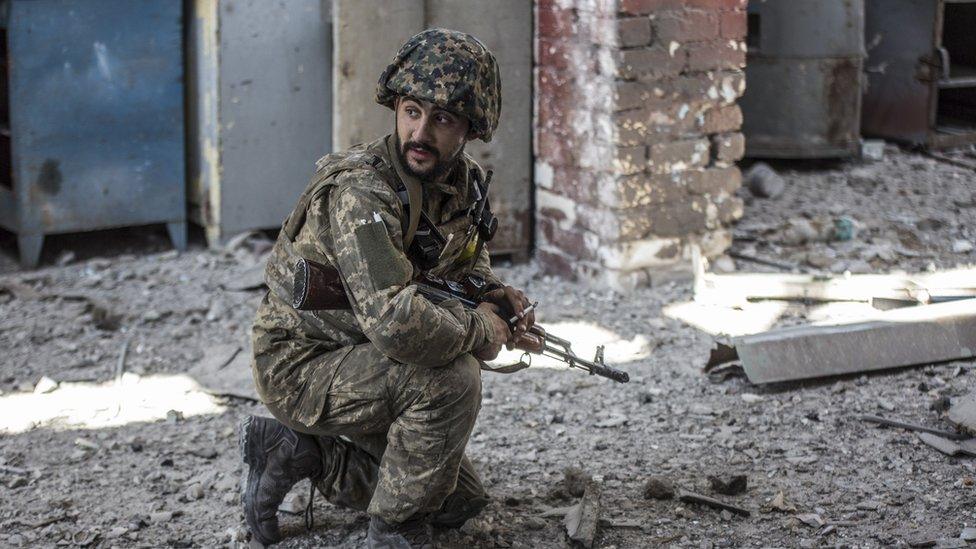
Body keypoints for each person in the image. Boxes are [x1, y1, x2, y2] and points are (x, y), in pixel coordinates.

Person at [241, 28, 535, 549]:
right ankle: (395, 530)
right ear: (396, 109)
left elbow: (463, 262)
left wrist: (494, 296)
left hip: (362, 354)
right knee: (450, 381)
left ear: (470, 127)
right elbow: (398, 324)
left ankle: (299, 452)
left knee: (456, 503)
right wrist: (478, 329)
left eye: (442, 118)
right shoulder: (362, 192)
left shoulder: (461, 182)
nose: (420, 133)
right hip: (303, 362)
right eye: (411, 111)